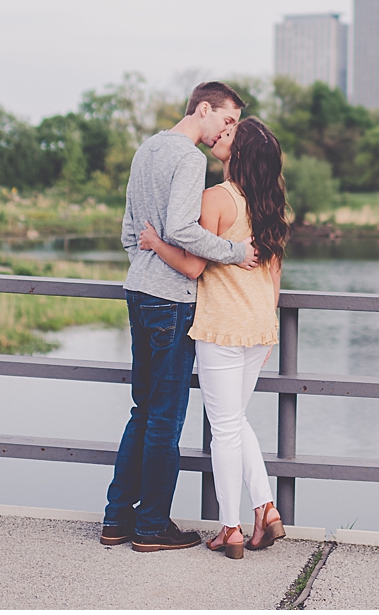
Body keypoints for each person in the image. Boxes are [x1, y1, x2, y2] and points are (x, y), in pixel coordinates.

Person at [102, 82, 259, 554]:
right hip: (171, 300)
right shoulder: (189, 159)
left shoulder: (146, 149)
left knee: (143, 410)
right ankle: (151, 526)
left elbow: (131, 231)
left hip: (138, 291)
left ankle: (116, 520)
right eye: (227, 120)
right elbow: (184, 230)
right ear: (204, 109)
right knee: (166, 419)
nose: (228, 132)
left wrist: (145, 263)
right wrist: (236, 251)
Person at [138, 116, 289, 559]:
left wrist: (154, 242)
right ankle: (266, 508)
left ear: (239, 153)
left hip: (222, 326)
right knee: (236, 421)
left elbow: (192, 266)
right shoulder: (271, 203)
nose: (222, 136)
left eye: (230, 136)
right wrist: (270, 331)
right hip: (257, 329)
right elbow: (275, 279)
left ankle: (230, 529)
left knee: (222, 430)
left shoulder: (216, 199)